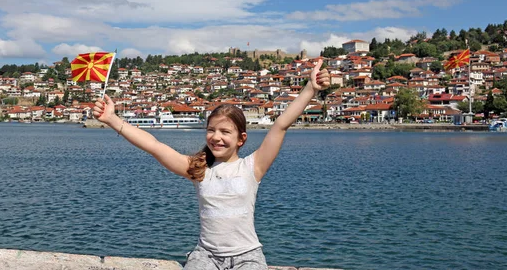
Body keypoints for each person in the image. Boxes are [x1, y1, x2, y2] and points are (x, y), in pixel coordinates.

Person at [93, 59, 330, 269]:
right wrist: (112, 119)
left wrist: (310, 88)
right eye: (211, 130)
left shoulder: (253, 167)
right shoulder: (198, 169)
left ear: (241, 139)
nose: (216, 137)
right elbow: (154, 145)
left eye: (225, 131)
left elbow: (280, 125)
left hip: (247, 256)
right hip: (206, 255)